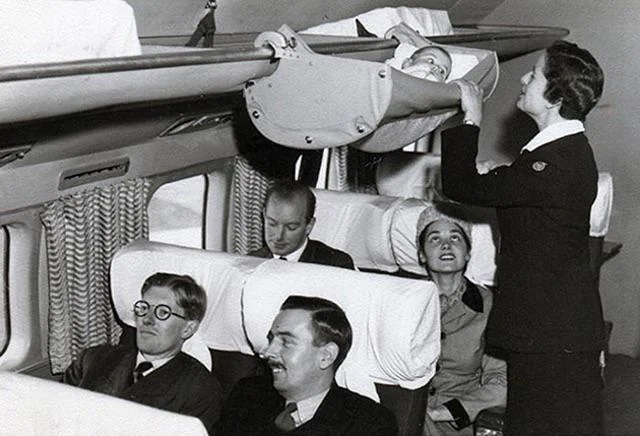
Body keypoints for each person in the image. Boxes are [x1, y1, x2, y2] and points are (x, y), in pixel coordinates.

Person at [441, 40, 605, 435]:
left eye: (534, 74)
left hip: (551, 333)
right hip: (556, 328)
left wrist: (471, 118)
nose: (525, 79)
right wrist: (496, 176)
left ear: (553, 96)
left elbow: (459, 185)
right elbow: (521, 188)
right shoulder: (562, 153)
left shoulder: (554, 163)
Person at [64, 272, 223, 434]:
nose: (147, 319)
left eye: (163, 313)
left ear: (188, 328)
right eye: (144, 308)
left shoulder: (201, 390)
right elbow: (56, 414)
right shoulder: (93, 359)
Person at [216, 295, 398, 435]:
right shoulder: (247, 395)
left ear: (326, 356)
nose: (268, 352)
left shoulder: (369, 424)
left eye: (286, 342)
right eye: (271, 340)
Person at [415, 204, 506, 436]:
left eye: (455, 237)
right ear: (422, 254)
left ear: (467, 253)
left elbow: (501, 384)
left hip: (457, 421)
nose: (446, 245)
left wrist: (440, 413)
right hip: (404, 410)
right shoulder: (402, 299)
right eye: (434, 239)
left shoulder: (491, 306)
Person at [248, 180, 356, 269]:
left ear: (309, 226)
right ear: (263, 216)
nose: (279, 236)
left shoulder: (336, 264)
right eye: (272, 224)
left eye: (291, 227)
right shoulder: (250, 263)